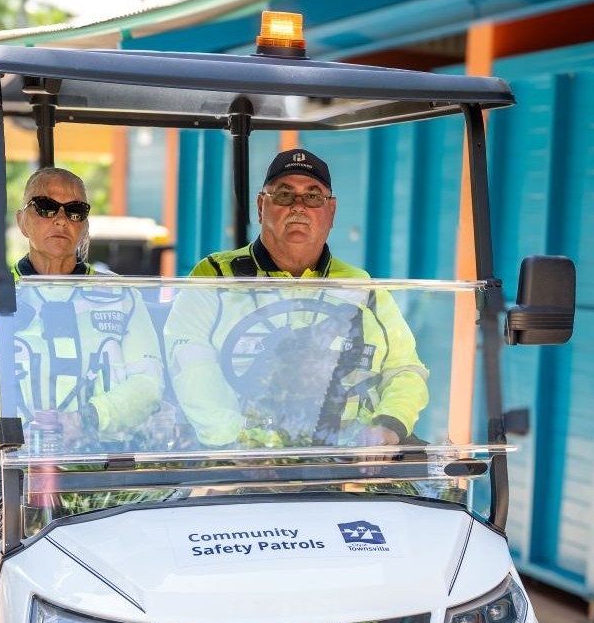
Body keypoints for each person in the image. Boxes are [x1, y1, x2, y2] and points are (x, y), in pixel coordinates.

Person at [0, 167, 162, 557]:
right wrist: (14, 433)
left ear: (85, 223)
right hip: (4, 453)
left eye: (75, 210)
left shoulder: (119, 295)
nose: (61, 218)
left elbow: (149, 384)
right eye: (45, 206)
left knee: (166, 520)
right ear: (23, 220)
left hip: (102, 446)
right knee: (20, 522)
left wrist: (89, 418)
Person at [167, 148, 429, 448]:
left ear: (331, 211)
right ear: (261, 206)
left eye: (313, 196)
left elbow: (404, 368)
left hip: (345, 459)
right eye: (284, 194)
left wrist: (387, 424)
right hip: (237, 463)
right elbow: (190, 367)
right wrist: (242, 443)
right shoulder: (215, 275)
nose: (299, 207)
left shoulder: (360, 286)